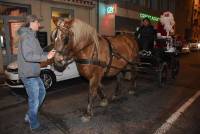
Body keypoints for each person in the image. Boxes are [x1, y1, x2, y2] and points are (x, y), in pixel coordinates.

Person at [17, 15, 55, 130]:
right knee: (34, 100)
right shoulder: (26, 37)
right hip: (28, 74)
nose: (39, 25)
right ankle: (34, 125)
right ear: (32, 23)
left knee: (42, 93)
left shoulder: (33, 37)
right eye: (37, 22)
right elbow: (28, 56)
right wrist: (46, 57)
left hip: (33, 73)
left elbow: (39, 53)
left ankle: (29, 115)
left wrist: (49, 54)